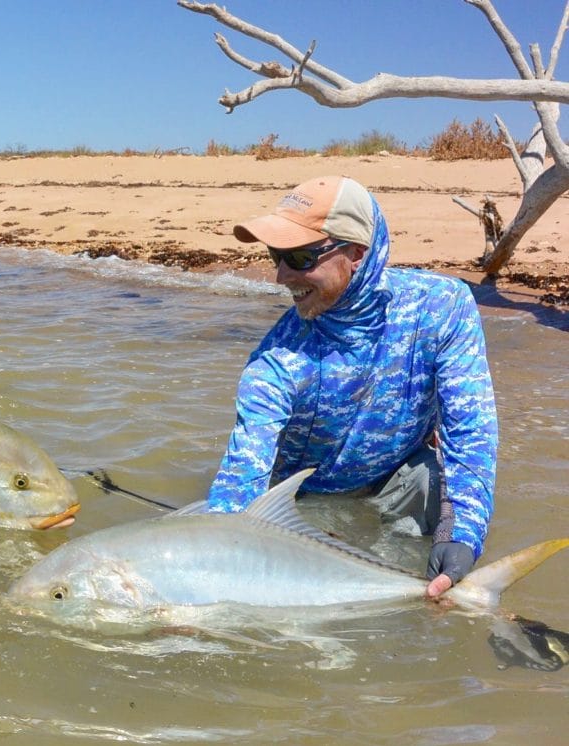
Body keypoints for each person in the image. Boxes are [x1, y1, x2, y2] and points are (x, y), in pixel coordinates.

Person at [206, 175, 498, 599]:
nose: (281, 275)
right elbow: (240, 481)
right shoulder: (274, 364)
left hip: (396, 481)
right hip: (299, 505)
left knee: (438, 483)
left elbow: (470, 430)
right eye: (276, 255)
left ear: (357, 252)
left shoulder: (444, 307)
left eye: (300, 256)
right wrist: (214, 563)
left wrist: (463, 533)